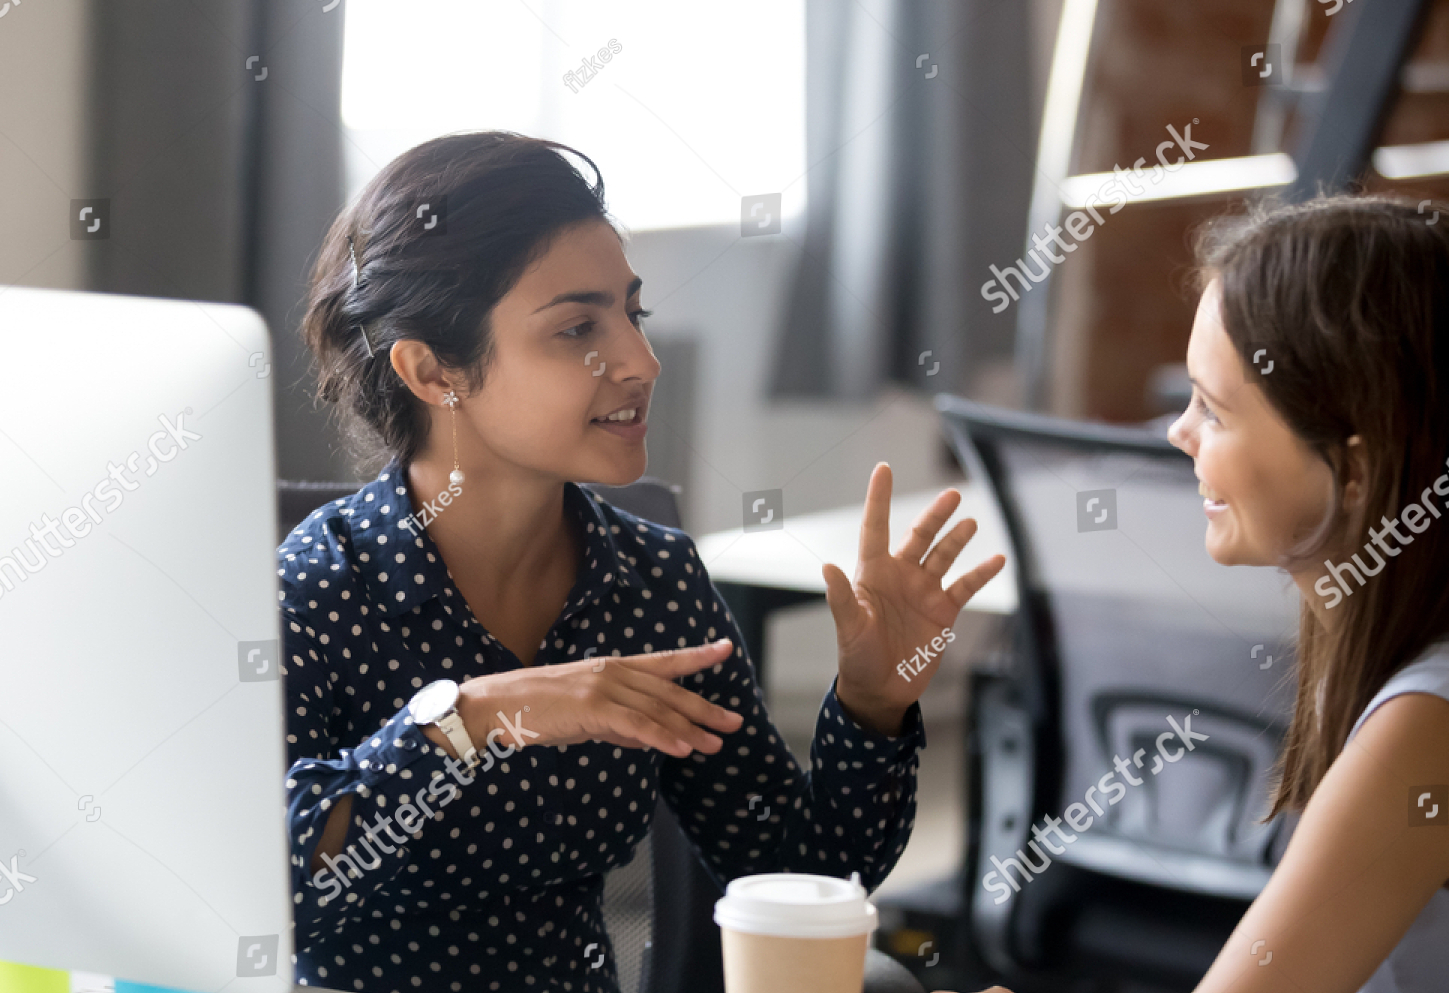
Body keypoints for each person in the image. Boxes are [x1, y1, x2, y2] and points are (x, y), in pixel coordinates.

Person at [275, 130, 1007, 992]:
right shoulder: (318, 587)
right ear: (433, 371)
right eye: (577, 328)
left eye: (633, 314)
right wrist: (474, 716)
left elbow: (797, 872)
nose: (640, 360)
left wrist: (873, 704)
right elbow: (265, 890)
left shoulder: (653, 582)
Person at [1163, 194, 1449, 992]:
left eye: (1214, 409)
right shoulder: (1401, 638)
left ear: (1354, 470)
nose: (1180, 431)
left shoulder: (1432, 725)